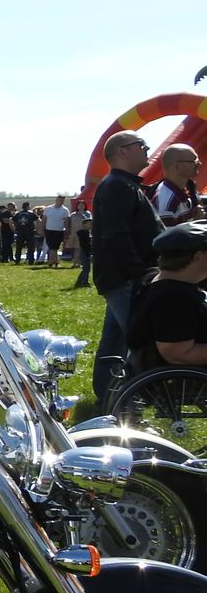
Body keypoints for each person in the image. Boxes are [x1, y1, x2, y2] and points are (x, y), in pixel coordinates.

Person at [92, 129, 163, 400]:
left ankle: (108, 395)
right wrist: (141, 274)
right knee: (138, 339)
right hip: (126, 279)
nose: (147, 150)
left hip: (123, 278)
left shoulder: (125, 185)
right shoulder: (117, 186)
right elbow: (117, 236)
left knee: (115, 341)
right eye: (141, 145)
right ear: (122, 151)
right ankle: (136, 396)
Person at [125, 223, 207, 370]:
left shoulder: (155, 277)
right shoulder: (173, 298)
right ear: (198, 257)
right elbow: (179, 355)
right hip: (181, 379)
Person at [151, 143, 204, 227]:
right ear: (176, 166)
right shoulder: (166, 201)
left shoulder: (188, 187)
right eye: (194, 161)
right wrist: (197, 222)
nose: (199, 164)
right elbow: (166, 234)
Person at [69, 198, 92, 287]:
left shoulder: (87, 232)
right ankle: (84, 282)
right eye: (89, 224)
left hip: (86, 251)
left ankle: (79, 281)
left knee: (86, 268)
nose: (91, 225)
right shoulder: (83, 233)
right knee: (86, 268)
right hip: (85, 251)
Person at [41, 195, 69, 268]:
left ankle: (53, 261)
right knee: (51, 246)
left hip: (59, 230)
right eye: (59, 199)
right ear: (56, 200)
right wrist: (42, 229)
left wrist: (67, 231)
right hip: (49, 230)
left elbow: (66, 222)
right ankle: (53, 262)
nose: (60, 201)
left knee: (55, 247)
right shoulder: (48, 208)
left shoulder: (65, 210)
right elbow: (44, 220)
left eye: (62, 200)